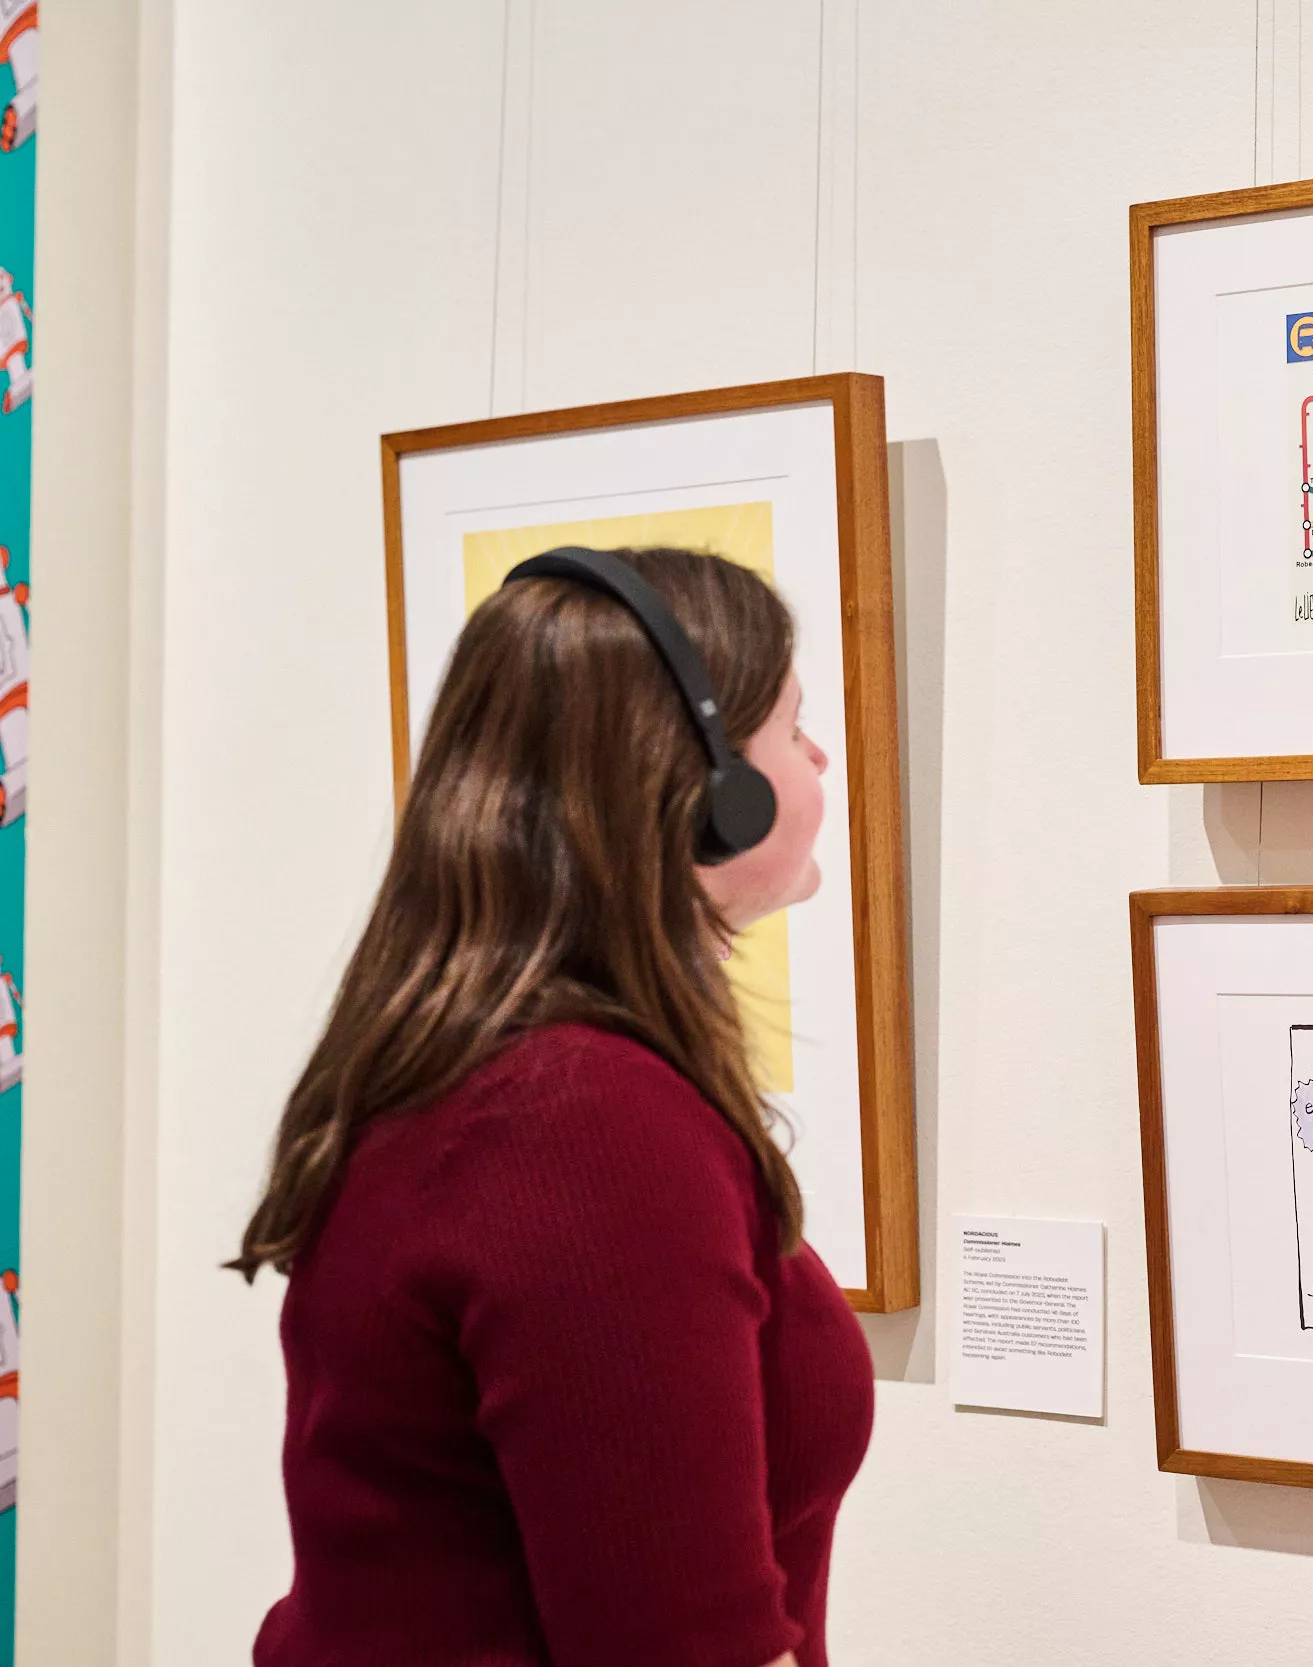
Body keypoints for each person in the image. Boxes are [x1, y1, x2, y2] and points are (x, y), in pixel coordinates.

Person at [232, 547, 871, 1667]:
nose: (820, 759)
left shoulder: (489, 1067)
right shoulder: (583, 1123)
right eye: (793, 727)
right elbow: (682, 1646)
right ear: (713, 793)